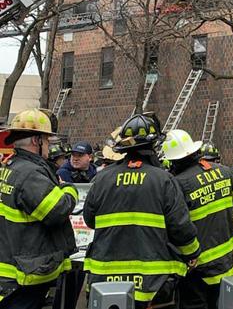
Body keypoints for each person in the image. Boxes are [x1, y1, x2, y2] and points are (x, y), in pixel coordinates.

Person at [83, 114, 201, 308]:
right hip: (152, 284)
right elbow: (180, 226)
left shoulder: (101, 179)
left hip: (105, 281)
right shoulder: (163, 180)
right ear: (153, 146)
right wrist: (192, 253)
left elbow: (90, 221)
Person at [0, 108, 78, 309]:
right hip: (24, 276)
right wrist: (68, 190)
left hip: (9, 269)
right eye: (47, 140)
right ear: (37, 141)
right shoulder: (30, 174)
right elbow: (57, 211)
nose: (49, 146)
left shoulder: (8, 167)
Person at [161, 129, 233, 309]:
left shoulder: (177, 183)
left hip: (196, 269)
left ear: (173, 160)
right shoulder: (224, 171)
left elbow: (176, 225)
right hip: (226, 262)